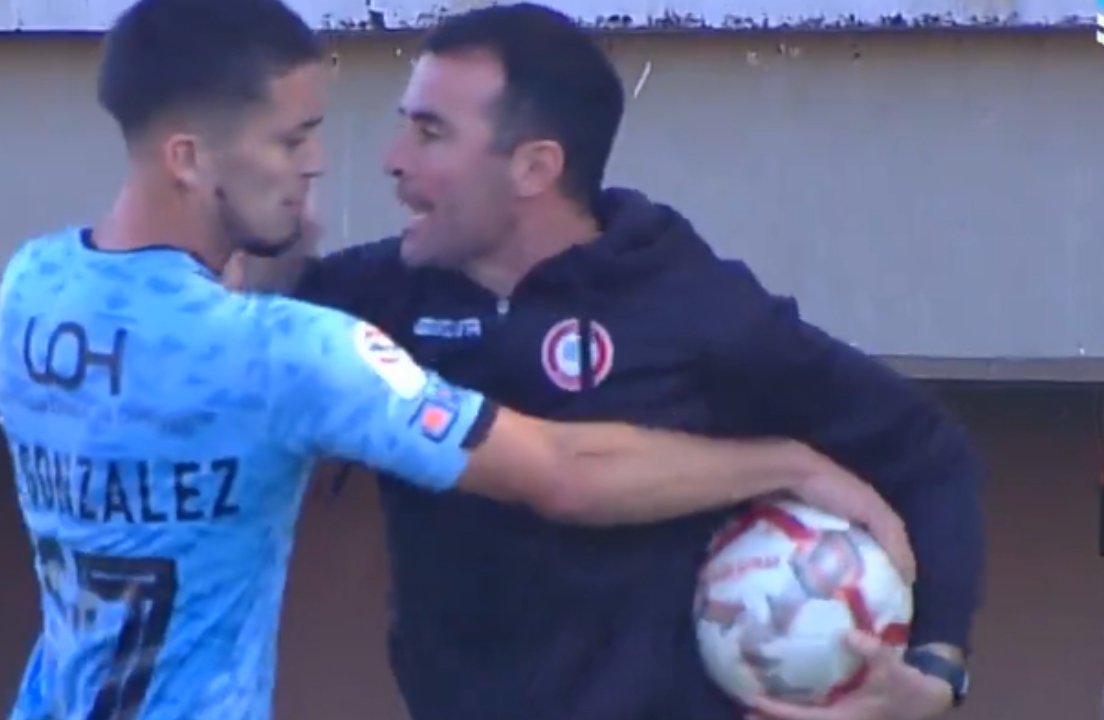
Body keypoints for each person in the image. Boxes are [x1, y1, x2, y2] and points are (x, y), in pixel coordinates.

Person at [0, 1, 912, 719]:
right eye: (291, 139)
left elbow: (179, 369)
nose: (318, 165)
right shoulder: (290, 353)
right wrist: (788, 463)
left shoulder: (32, 289)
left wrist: (253, 246)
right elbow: (561, 472)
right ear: (190, 158)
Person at [254, 4, 986, 720]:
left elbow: (927, 451)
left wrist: (935, 667)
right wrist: (264, 245)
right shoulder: (381, 296)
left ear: (535, 166)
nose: (392, 159)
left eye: (430, 132)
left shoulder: (692, 306)